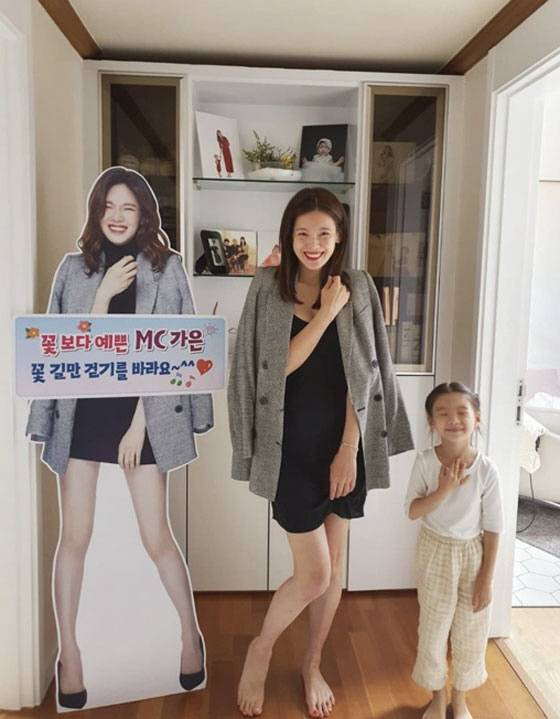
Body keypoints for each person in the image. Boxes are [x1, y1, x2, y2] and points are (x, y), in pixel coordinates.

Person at [26, 166, 213, 709]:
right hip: (84, 414)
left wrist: (140, 424)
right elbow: (62, 348)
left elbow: (175, 352)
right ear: (97, 211)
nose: (116, 215)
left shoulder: (167, 267)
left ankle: (189, 636)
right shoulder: (74, 268)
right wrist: (104, 295)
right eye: (108, 205)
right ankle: (70, 655)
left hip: (141, 416)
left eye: (128, 207)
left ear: (143, 215)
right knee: (74, 537)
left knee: (156, 537)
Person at [228, 187, 413, 718]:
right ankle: (261, 650)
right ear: (289, 236)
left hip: (342, 450)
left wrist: (349, 449)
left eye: (324, 234)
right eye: (303, 233)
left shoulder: (359, 286)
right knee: (314, 574)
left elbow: (366, 374)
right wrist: (326, 314)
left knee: (334, 569)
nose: (313, 244)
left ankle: (311, 664)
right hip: (288, 451)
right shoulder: (268, 287)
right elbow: (271, 371)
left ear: (339, 237)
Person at [405, 382, 503, 719]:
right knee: (433, 630)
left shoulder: (487, 469)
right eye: (443, 413)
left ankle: (460, 700)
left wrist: (486, 580)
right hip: (434, 550)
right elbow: (413, 510)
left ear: (477, 418)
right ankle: (437, 697)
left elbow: (494, 527)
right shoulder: (424, 461)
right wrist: (444, 489)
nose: (453, 420)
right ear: (431, 421)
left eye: (462, 412)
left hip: (474, 554)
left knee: (471, 631)